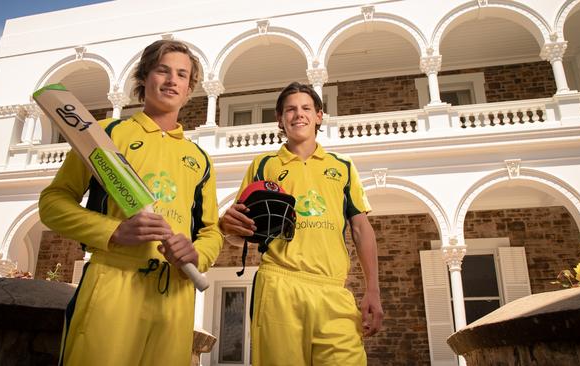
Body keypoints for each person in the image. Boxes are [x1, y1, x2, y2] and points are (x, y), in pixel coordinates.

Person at [39, 39, 222, 365]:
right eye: (162, 70)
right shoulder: (105, 134)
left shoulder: (200, 159)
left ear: (190, 87)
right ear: (144, 77)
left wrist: (198, 254)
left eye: (182, 74)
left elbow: (211, 231)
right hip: (113, 283)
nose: (171, 80)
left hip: (175, 295)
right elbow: (53, 202)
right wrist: (113, 231)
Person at [219, 82, 383, 365]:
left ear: (319, 115)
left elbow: (361, 229)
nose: (299, 114)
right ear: (279, 119)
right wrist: (228, 227)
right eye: (290, 109)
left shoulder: (342, 166)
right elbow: (241, 233)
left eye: (306, 108)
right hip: (279, 285)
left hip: (333, 289)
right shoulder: (263, 164)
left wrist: (373, 290)